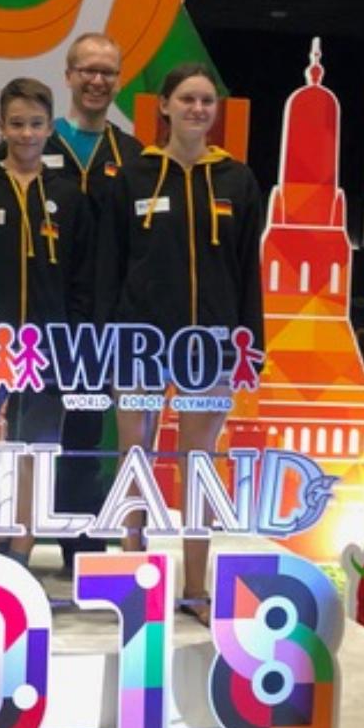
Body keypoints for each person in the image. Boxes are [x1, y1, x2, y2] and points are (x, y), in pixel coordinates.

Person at [95, 61, 264, 622]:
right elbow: (109, 266)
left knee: (199, 466)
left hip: (210, 348)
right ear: (164, 106)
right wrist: (107, 342)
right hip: (138, 345)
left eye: (207, 101)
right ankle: (133, 585)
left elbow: (248, 272)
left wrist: (248, 346)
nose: (197, 109)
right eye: (187, 99)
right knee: (135, 461)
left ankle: (195, 588)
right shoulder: (132, 177)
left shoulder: (238, 181)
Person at [0, 33, 143, 569]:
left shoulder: (133, 156)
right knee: (24, 434)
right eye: (87, 70)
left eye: (108, 71)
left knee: (84, 434)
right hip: (39, 322)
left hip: (104, 323)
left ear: (118, 80)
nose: (97, 80)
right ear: (69, 75)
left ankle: (80, 539)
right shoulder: (33, 142)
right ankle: (12, 538)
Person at [0, 77, 93, 564]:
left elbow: (84, 275)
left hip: (48, 347)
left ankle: (20, 553)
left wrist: (70, 332)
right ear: (1, 126)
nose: (26, 134)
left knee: (36, 452)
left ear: (50, 129)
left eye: (36, 124)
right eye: (17, 124)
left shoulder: (69, 196)